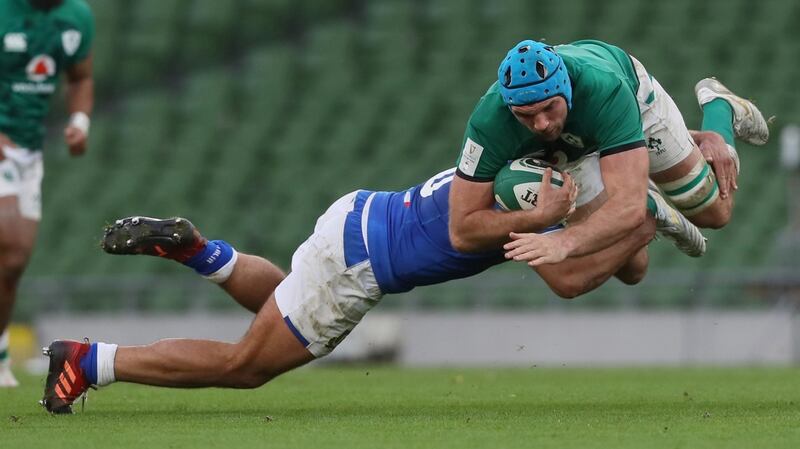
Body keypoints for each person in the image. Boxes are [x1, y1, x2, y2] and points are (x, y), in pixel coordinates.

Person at [39, 163, 663, 414]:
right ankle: (90, 361)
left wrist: (632, 225)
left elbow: (627, 265)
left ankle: (201, 253)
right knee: (246, 366)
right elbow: (572, 280)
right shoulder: (538, 200)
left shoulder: (526, 154)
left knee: (286, 299)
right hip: (364, 263)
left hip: (359, 214)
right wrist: (641, 219)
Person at [449, 39, 769, 269]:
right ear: (509, 108)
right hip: (569, 150)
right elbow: (461, 231)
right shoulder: (488, 122)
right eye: (525, 115)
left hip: (634, 105)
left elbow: (625, 211)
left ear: (566, 88)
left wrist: (564, 241)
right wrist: (536, 219)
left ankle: (719, 108)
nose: (541, 123)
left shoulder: (605, 88)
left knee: (715, 213)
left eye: (549, 108)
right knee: (632, 269)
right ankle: (649, 199)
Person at [0, 0, 95, 387]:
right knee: (5, 237)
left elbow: (80, 77)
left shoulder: (76, 16)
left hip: (27, 151)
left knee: (14, 260)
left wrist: (79, 120)